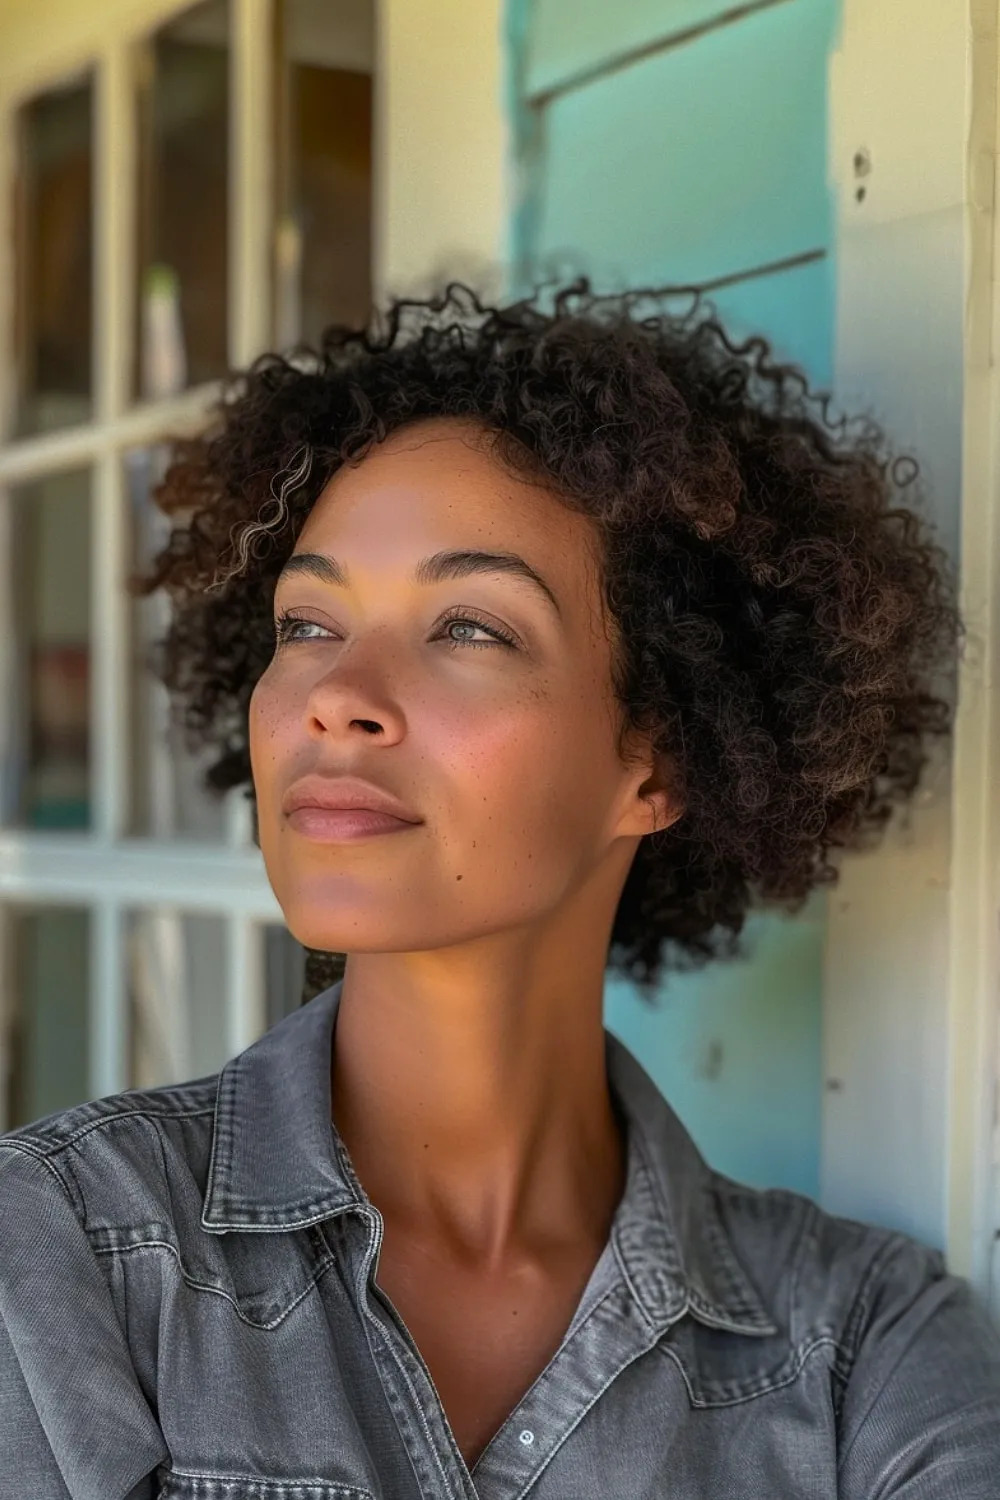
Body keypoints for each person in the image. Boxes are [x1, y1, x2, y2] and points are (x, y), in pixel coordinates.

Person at [2, 280, 998, 1499]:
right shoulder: (62, 1252)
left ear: (661, 757)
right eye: (308, 622)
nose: (335, 692)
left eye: (470, 626)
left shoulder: (864, 1354)